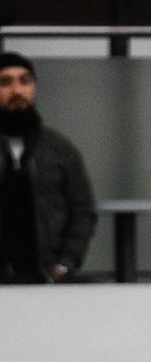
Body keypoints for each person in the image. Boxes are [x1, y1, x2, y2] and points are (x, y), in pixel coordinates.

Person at [0, 51, 97, 284]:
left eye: (25, 81)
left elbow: (83, 210)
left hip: (45, 279)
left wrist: (65, 264)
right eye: (5, 82)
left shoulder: (59, 149)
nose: (17, 91)